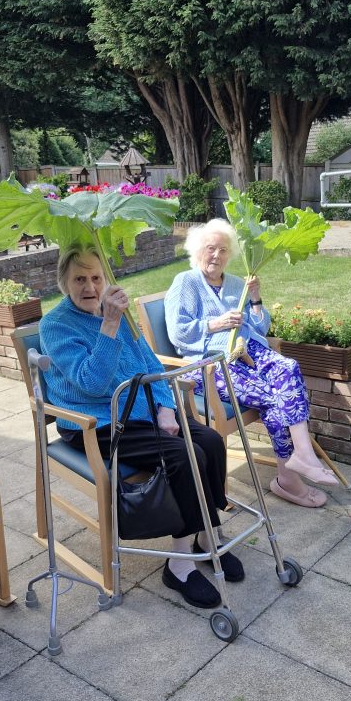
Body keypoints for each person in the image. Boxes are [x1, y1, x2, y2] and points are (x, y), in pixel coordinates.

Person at [40, 248, 241, 609]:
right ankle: (179, 564)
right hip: (96, 421)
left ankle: (206, 537)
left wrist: (165, 407)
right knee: (185, 455)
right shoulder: (55, 326)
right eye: (80, 279)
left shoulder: (119, 315)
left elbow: (151, 364)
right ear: (63, 283)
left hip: (142, 413)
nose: (90, 287)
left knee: (210, 441)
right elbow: (92, 384)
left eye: (97, 278)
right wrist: (109, 327)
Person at [164, 218, 338, 509]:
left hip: (251, 351)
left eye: (222, 250)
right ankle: (289, 479)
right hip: (212, 362)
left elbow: (261, 326)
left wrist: (255, 298)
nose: (216, 255)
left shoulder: (235, 284)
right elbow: (178, 332)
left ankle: (302, 456)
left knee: (289, 367)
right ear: (197, 251)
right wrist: (216, 323)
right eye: (210, 248)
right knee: (273, 398)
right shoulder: (186, 282)